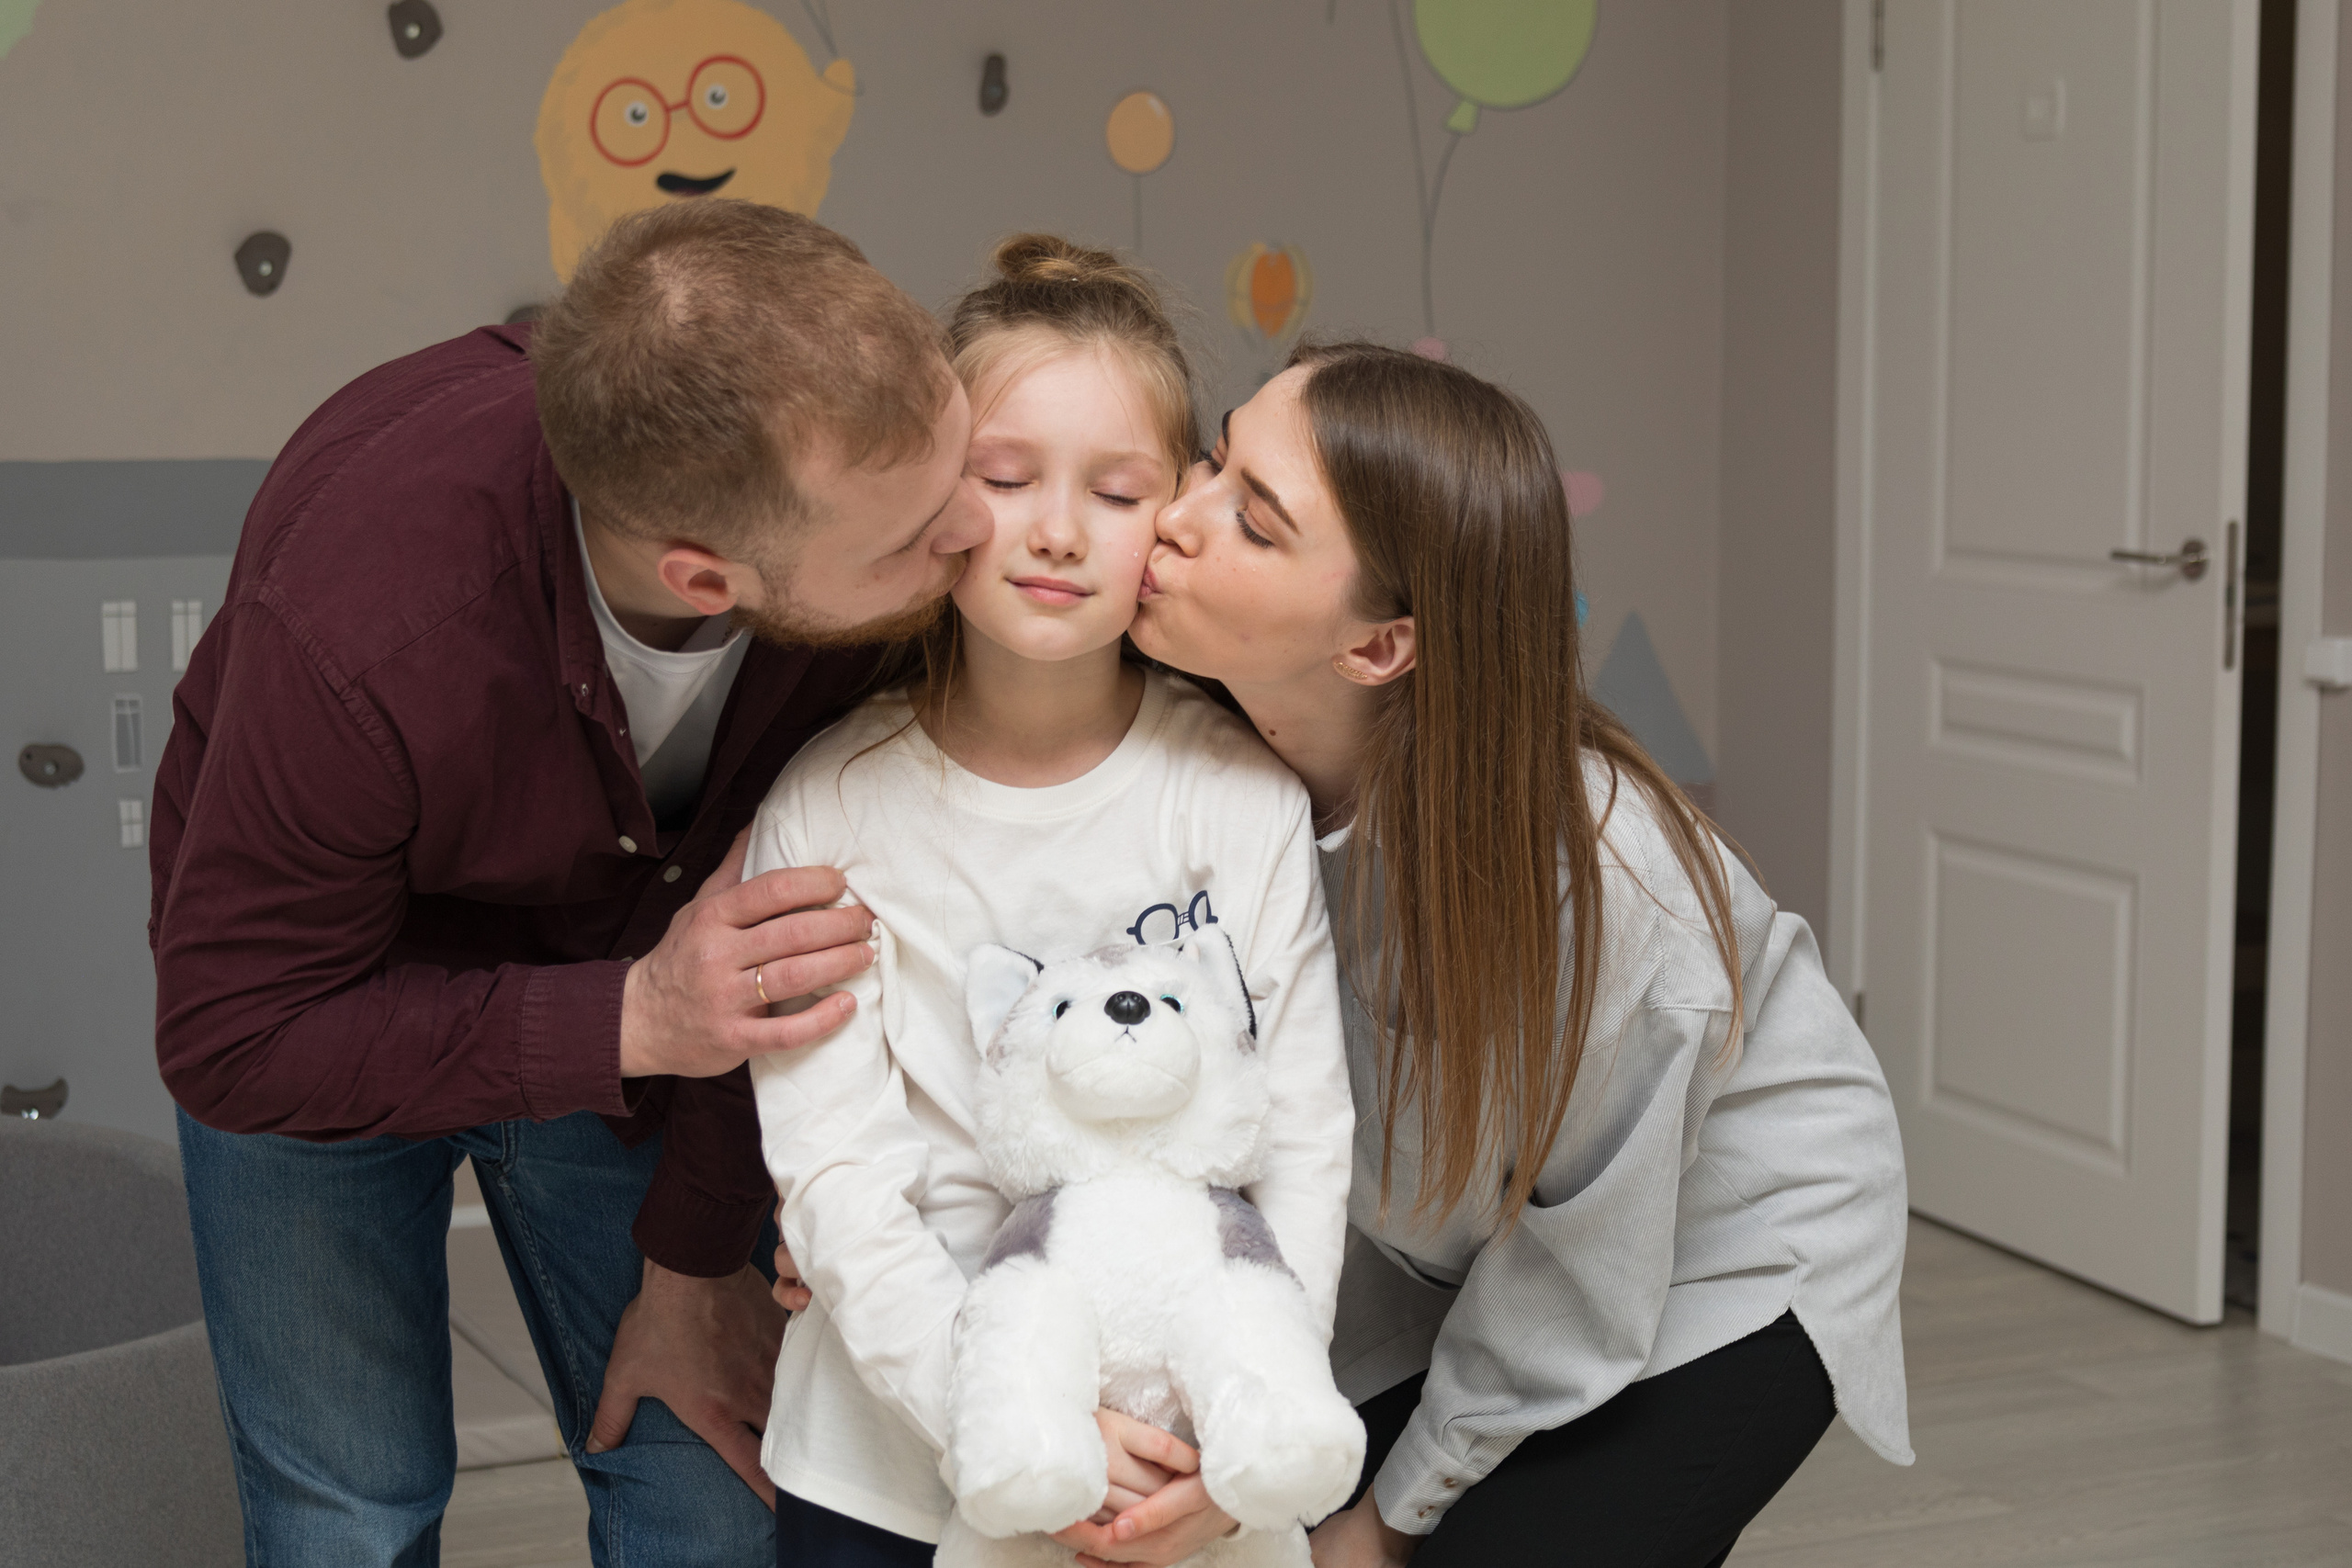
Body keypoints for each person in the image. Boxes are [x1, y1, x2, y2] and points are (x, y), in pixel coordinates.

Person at [149, 199, 993, 1566]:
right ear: (704, 576)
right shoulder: (356, 628)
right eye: (912, 541)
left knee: (713, 1500)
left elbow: (772, 943)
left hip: (659, 1001)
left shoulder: (862, 556)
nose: (975, 537)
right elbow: (235, 1038)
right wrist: (636, 1019)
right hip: (321, 1002)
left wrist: (692, 1254)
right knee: (348, 1512)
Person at [1067, 341, 1915, 1568]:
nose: (1177, 518)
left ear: (1376, 648)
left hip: (1711, 1251)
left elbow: (1582, 1263)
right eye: (1213, 457)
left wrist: (1386, 1522)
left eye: (1253, 523)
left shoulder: (1602, 887)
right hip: (1448, 1246)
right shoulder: (1193, 764)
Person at [744, 237, 1356, 1566]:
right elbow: (839, 1180)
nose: (1058, 530)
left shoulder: (1237, 798)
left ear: (1175, 516)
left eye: (1118, 491)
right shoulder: (829, 808)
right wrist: (1006, 1432)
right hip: (892, 1463)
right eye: (1006, 478)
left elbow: (1300, 1141)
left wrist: (1255, 1426)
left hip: (1185, 1465)